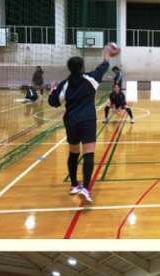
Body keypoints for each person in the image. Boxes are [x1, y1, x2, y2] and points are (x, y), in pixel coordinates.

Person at [48, 45, 113, 204]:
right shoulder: (91, 78)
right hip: (87, 120)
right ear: (82, 67)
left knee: (73, 153)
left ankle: (73, 185)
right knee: (88, 153)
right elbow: (103, 67)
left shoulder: (65, 84)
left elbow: (53, 102)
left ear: (69, 69)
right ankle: (85, 188)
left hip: (71, 121)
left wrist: (52, 89)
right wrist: (106, 55)